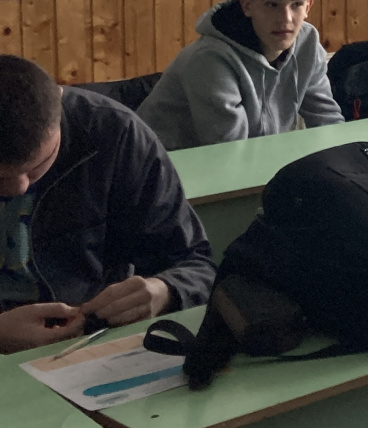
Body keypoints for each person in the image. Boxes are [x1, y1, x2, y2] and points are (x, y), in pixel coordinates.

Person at [0, 56, 214, 354]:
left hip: (88, 342)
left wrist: (164, 291)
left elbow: (197, 265)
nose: (19, 187)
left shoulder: (116, 134)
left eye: (38, 166)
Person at [138, 0, 343, 151]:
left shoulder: (308, 43)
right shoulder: (209, 59)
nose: (286, 18)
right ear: (247, 6)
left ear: (308, 7)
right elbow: (230, 152)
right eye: (272, 4)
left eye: (296, 4)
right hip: (165, 165)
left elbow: (327, 122)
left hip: (238, 163)